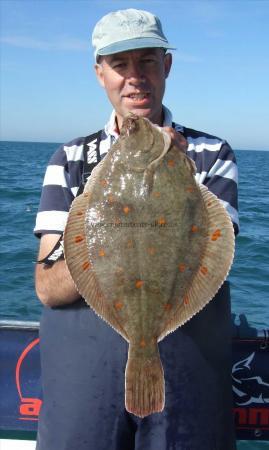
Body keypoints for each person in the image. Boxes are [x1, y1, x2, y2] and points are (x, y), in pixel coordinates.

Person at [34, 8, 239, 450]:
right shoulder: (68, 159)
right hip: (84, 379)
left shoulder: (210, 153)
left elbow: (218, 250)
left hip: (188, 371)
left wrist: (179, 174)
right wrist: (104, 226)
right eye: (119, 64)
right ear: (100, 73)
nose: (135, 77)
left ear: (166, 66)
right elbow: (48, 289)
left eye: (147, 61)